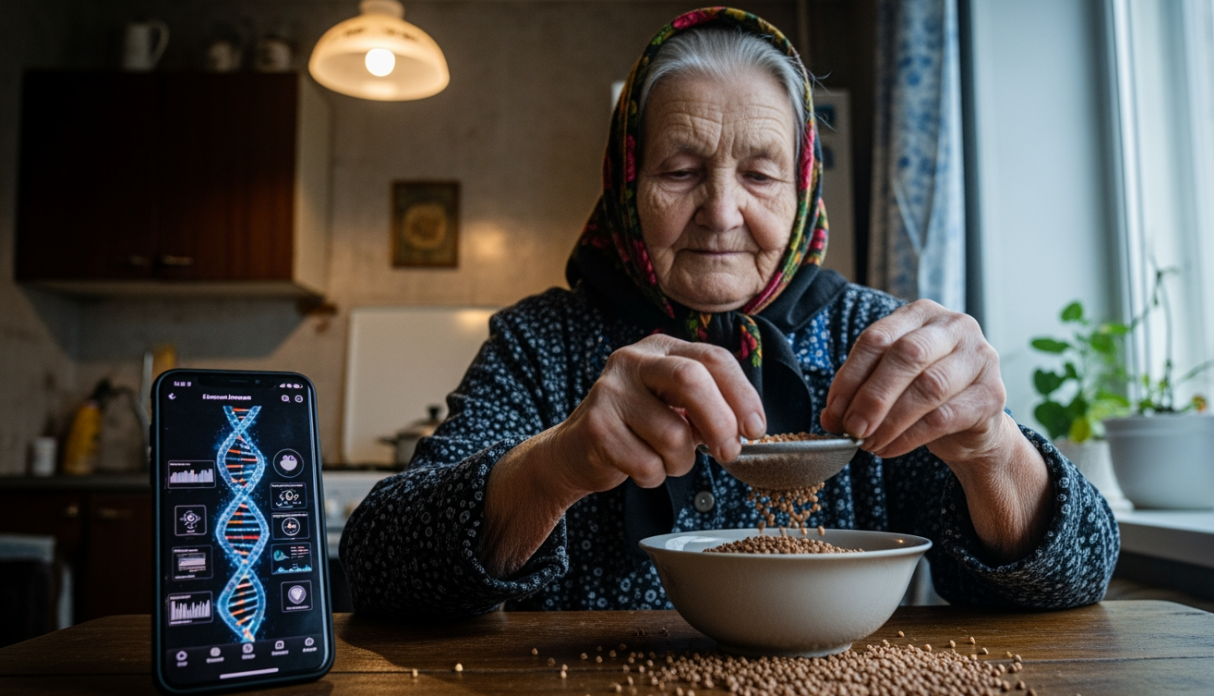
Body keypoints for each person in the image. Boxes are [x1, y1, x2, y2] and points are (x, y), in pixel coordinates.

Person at [340, 8, 1118, 618]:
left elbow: (1074, 574)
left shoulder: (877, 340)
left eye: (760, 174)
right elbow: (378, 565)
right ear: (626, 183)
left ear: (803, 186)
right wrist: (557, 463)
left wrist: (991, 448)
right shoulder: (541, 343)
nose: (721, 212)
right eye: (680, 170)